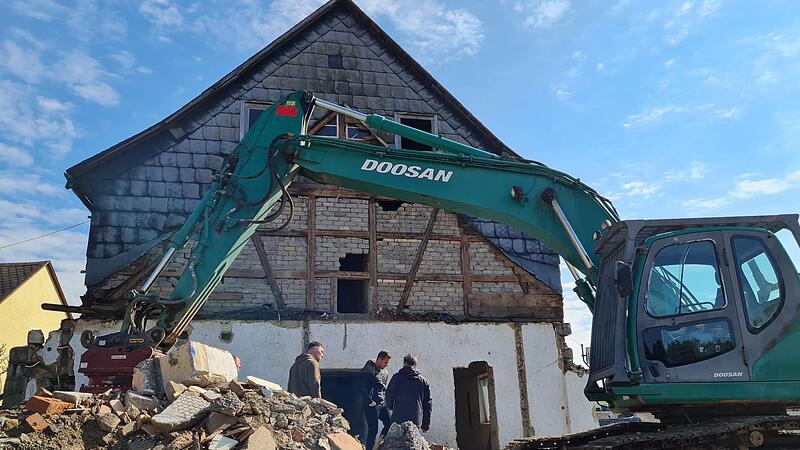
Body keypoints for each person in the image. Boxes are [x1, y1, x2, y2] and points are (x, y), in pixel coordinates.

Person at [385, 354, 432, 433]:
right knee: (412, 440)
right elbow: (428, 404)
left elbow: (389, 395)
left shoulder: (396, 378)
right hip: (415, 421)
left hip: (398, 419)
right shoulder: (423, 381)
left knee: (397, 440)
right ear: (415, 365)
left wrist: (393, 408)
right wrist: (425, 425)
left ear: (404, 364)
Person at [360, 351, 392, 450]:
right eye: (385, 362)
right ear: (379, 359)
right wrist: (370, 401)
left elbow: (383, 388)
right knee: (373, 429)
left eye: (387, 363)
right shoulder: (368, 369)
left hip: (382, 403)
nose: (386, 365)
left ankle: (378, 443)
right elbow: (361, 387)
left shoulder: (384, 371)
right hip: (372, 405)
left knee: (390, 423)